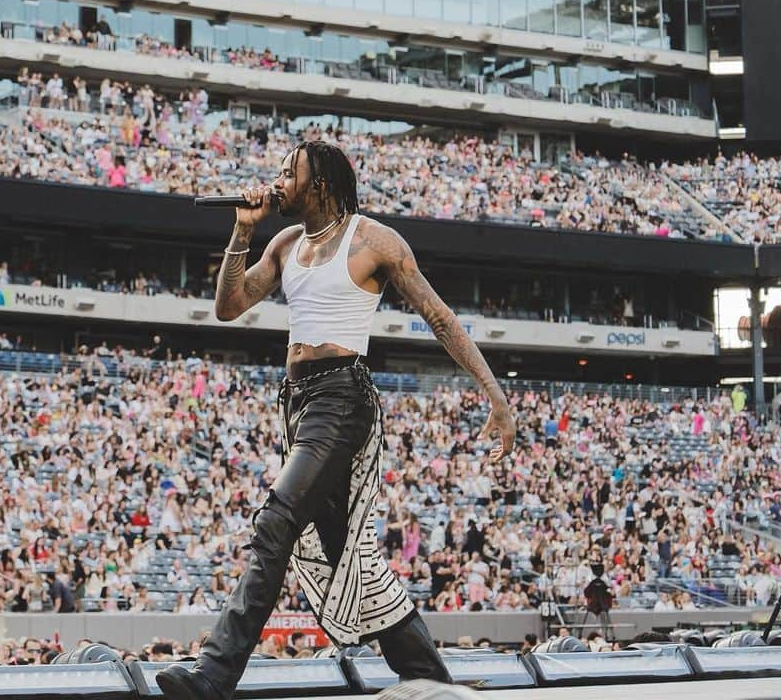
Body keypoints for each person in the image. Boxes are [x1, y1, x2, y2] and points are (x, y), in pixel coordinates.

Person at [156, 140, 515, 700]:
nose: (277, 181)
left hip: (342, 400)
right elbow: (228, 307)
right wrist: (242, 232)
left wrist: (496, 397)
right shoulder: (285, 242)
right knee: (347, 554)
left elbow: (440, 319)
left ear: (319, 182)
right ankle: (430, 677)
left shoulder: (373, 241)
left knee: (275, 522)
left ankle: (213, 675)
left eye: (288, 172)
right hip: (297, 403)